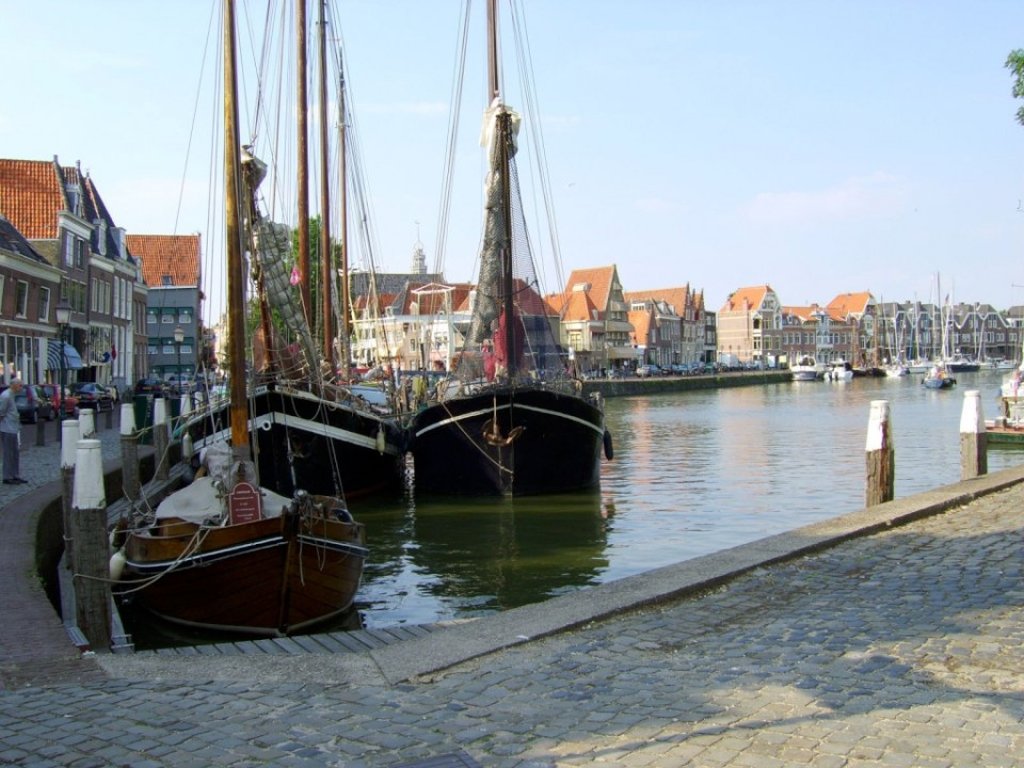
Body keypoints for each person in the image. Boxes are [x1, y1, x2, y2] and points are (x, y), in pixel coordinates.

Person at [0, 378, 26, 484]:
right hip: (7, 428)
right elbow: (1, 412)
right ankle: (7, 476)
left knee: (15, 452)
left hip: (13, 428)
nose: (21, 387)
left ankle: (15, 474)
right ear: (14, 385)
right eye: (20, 385)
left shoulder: (11, 395)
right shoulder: (5, 396)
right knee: (8, 453)